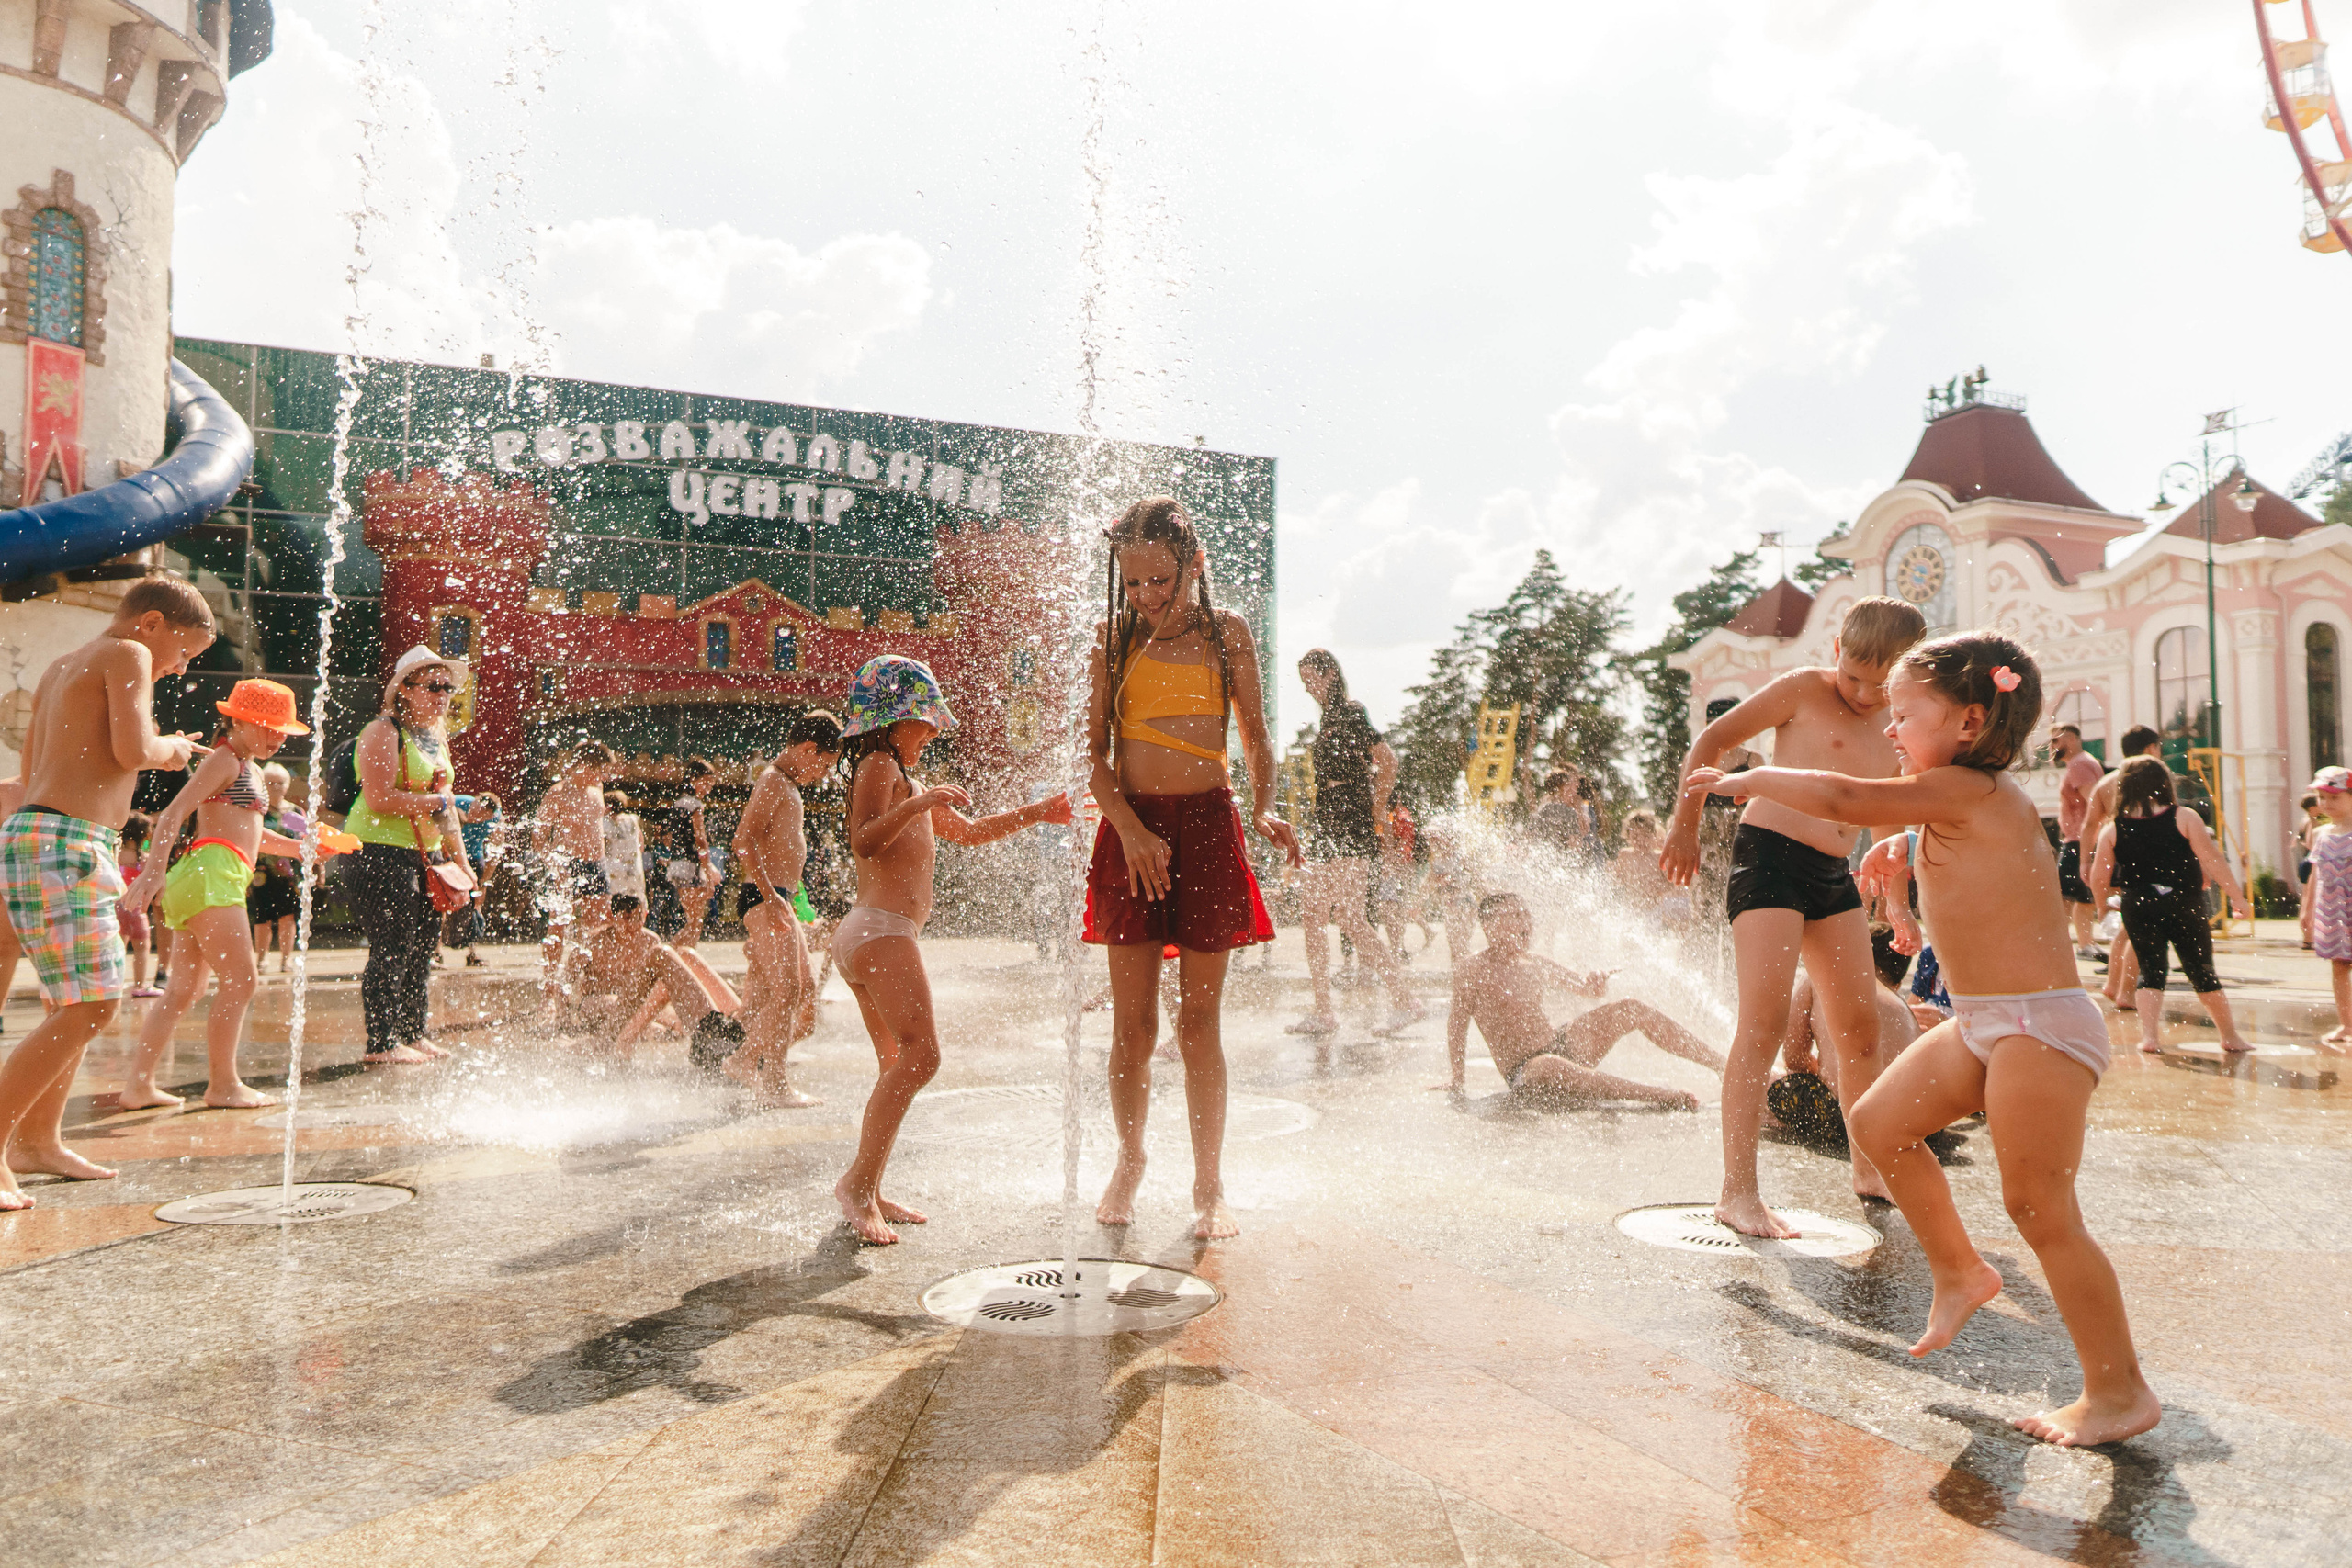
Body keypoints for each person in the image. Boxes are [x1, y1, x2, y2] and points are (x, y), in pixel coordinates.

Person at [1693, 631, 2162, 1447]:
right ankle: (1957, 1268)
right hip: (1988, 1023)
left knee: (2039, 1208)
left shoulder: (1968, 790)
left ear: (1971, 721)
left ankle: (2119, 1389)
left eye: (1906, 714)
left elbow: (1839, 796)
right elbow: (1966, 850)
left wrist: (1749, 779)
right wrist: (1901, 855)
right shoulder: (1962, 800)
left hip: (2039, 1024)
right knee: (1874, 1123)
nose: (1890, 730)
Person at [1659, 595, 1927, 1237]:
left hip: (1832, 874)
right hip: (1771, 860)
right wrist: (1684, 825)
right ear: (1836, 651)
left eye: (1880, 683)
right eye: (1854, 675)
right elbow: (1715, 739)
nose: (1863, 693)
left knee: (1859, 1028)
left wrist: (1896, 902)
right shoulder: (1805, 689)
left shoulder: (1896, 722)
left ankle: (1867, 1165)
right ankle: (1738, 1191)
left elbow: (1888, 813)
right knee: (1764, 1020)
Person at [1082, 497, 1298, 1241]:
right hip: (1132, 833)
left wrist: (1264, 810)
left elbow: (1257, 737)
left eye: (1160, 580)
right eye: (1133, 582)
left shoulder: (1225, 632)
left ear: (1194, 565)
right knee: (1132, 1026)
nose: (1145, 596)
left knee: (1199, 1022)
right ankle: (1131, 1156)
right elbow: (1095, 761)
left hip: (1207, 827)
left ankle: (1210, 1184)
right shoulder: (1114, 639)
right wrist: (1132, 831)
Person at [829, 655, 1072, 1245]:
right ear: (894, 718)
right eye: (925, 721)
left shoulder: (904, 776)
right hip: (879, 928)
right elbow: (862, 841)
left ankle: (871, 1186)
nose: (934, 732)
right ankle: (856, 1187)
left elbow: (971, 830)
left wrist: (1039, 813)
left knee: (898, 1065)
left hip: (878, 933)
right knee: (923, 1057)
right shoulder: (879, 764)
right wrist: (915, 805)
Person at [0, 575, 214, 1208]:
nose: (177, 669)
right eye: (184, 652)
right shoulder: (130, 653)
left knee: (67, 1001)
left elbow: (35, 766)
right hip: (70, 841)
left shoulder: (64, 664)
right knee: (93, 1005)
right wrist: (172, 749)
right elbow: (132, 748)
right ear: (151, 623)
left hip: (36, 832)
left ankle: (37, 1140)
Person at [118, 681, 316, 1109]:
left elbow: (256, 837)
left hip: (207, 873)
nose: (279, 737)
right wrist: (152, 871)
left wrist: (306, 848)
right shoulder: (226, 759)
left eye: (284, 731)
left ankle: (138, 1085)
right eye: (270, 727)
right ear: (239, 721)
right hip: (214, 872)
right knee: (242, 980)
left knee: (183, 990)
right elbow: (173, 814)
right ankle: (223, 1085)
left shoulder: (247, 765)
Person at [1438, 892, 1724, 1105]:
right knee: (1548, 1064)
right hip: (1527, 1069)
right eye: (1513, 916)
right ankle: (1660, 1096)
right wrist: (1457, 1078)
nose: (1524, 922)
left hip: (1561, 1045)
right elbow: (1457, 1023)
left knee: (1630, 1009)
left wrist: (1595, 981)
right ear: (1489, 926)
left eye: (1525, 915)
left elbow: (1588, 990)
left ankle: (1721, 1064)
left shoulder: (1534, 963)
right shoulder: (1472, 968)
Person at [345, 645, 478, 1065]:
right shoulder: (383, 732)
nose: (443, 695)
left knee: (423, 947)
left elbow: (448, 806)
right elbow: (380, 798)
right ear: (404, 689)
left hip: (428, 855)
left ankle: (412, 1032)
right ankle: (381, 1042)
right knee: (391, 944)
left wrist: (462, 861)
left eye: (448, 688)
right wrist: (436, 804)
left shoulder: (437, 741)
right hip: (379, 851)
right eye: (434, 686)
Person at [1290, 648, 1420, 1036]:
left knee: (1349, 916)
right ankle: (1324, 1012)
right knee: (1313, 914)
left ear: (1331, 674)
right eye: (1303, 682)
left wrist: (1379, 812)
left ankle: (1404, 1000)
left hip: (1351, 819)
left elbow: (1389, 760)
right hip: (1326, 818)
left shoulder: (1350, 711)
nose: (1308, 687)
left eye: (1312, 678)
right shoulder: (1327, 719)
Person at [2085, 755, 2252, 1055]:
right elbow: (2212, 859)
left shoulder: (2114, 828)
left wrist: (2101, 907)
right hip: (2183, 901)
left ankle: (2150, 1038)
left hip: (2138, 903)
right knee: (2201, 969)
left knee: (2151, 970)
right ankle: (2229, 1036)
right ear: (2165, 784)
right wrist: (2237, 897)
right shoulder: (2184, 817)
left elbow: (2100, 876)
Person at [729, 710, 845, 1108]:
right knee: (788, 990)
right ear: (808, 748)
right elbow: (743, 840)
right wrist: (772, 895)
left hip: (777, 897)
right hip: (765, 897)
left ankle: (746, 1061)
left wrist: (789, 898)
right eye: (824, 764)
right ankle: (771, 1083)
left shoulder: (785, 783)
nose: (823, 774)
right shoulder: (774, 781)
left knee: (798, 989)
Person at [1768, 931, 1920, 1146]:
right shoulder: (1901, 1005)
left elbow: (1793, 1057)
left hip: (1845, 1121)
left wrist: (1823, 1072)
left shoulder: (1819, 974)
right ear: (1897, 981)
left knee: (1769, 1082)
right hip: (1911, 1125)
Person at [551, 893, 741, 1061]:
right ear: (612, 917)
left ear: (645, 915)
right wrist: (563, 1017)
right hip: (598, 1000)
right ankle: (633, 1033)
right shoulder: (593, 943)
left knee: (674, 1019)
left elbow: (663, 982)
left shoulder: (650, 940)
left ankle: (644, 1031)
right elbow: (564, 981)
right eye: (626, 918)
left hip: (635, 1001)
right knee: (612, 1002)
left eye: (638, 918)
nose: (633, 925)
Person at [2083, 726, 2163, 1008]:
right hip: (2143, 861)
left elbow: (2090, 824)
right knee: (2141, 927)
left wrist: (2086, 861)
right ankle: (2125, 991)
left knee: (2129, 926)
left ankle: (2113, 984)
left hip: (2116, 857)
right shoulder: (2151, 777)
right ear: (2151, 748)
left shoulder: (2106, 783)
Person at [536, 739, 615, 994]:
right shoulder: (558, 792)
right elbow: (539, 838)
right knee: (558, 926)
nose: (602, 776)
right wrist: (556, 868)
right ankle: (549, 984)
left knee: (595, 928)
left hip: (597, 864)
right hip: (567, 864)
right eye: (599, 769)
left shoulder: (597, 788)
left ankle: (569, 980)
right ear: (583, 765)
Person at [2050, 724, 2107, 958]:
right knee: (2083, 897)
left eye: (2056, 740)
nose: (2053, 746)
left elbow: (2095, 802)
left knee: (2061, 896)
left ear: (2071, 739)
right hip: (2084, 840)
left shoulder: (2079, 765)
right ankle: (2085, 944)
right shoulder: (2085, 762)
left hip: (2079, 842)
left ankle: (2053, 945)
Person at [2304, 767, 2352, 1043]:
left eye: (2334, 797)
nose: (2325, 804)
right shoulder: (2322, 834)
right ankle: (2347, 1025)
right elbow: (2315, 874)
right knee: (2339, 966)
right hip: (2333, 911)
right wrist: (2307, 908)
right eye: (2322, 797)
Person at [444, 794, 503, 966]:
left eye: (482, 818)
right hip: (450, 857)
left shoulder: (495, 820)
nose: (476, 818)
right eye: (477, 813)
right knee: (442, 902)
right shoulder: (458, 803)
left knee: (475, 904)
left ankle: (472, 952)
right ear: (475, 803)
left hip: (474, 860)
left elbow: (496, 853)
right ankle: (436, 952)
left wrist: (484, 883)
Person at [670, 756, 722, 947]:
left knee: (692, 920)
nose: (709, 787)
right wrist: (708, 870)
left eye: (711, 783)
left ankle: (676, 958)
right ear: (693, 779)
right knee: (695, 923)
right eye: (706, 782)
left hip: (677, 865)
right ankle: (667, 957)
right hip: (691, 866)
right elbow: (700, 840)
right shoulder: (695, 805)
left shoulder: (679, 803)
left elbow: (672, 838)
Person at [1614, 810, 1690, 927]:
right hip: (1630, 908)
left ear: (1654, 835)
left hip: (1652, 909)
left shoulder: (1659, 858)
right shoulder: (1624, 855)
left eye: (1645, 835)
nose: (1640, 840)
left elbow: (1672, 884)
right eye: (1635, 836)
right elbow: (1618, 880)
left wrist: (1660, 887)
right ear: (1628, 836)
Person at [118, 812, 161, 997]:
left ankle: (115, 984)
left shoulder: (118, 854)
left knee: (118, 948)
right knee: (142, 947)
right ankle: (139, 985)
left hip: (116, 907)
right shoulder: (144, 858)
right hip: (137, 908)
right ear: (145, 835)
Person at [1529, 767, 1599, 859]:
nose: (1577, 785)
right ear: (1563, 788)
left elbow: (1583, 833)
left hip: (1551, 852)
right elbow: (1578, 839)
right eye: (1573, 783)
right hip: (1556, 853)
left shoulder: (1569, 806)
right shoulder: (1555, 808)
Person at [602, 790, 648, 906]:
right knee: (635, 904)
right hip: (633, 871)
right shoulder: (633, 820)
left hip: (613, 872)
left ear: (608, 806)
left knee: (614, 906)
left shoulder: (604, 822)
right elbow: (641, 845)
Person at [2295, 791, 2324, 950]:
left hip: (2304, 861)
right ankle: (2308, 937)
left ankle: (2307, 937)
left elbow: (2297, 843)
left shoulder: (2303, 820)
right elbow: (2312, 845)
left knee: (2305, 899)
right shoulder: (2312, 822)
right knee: (2309, 900)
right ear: (2313, 807)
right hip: (2311, 861)